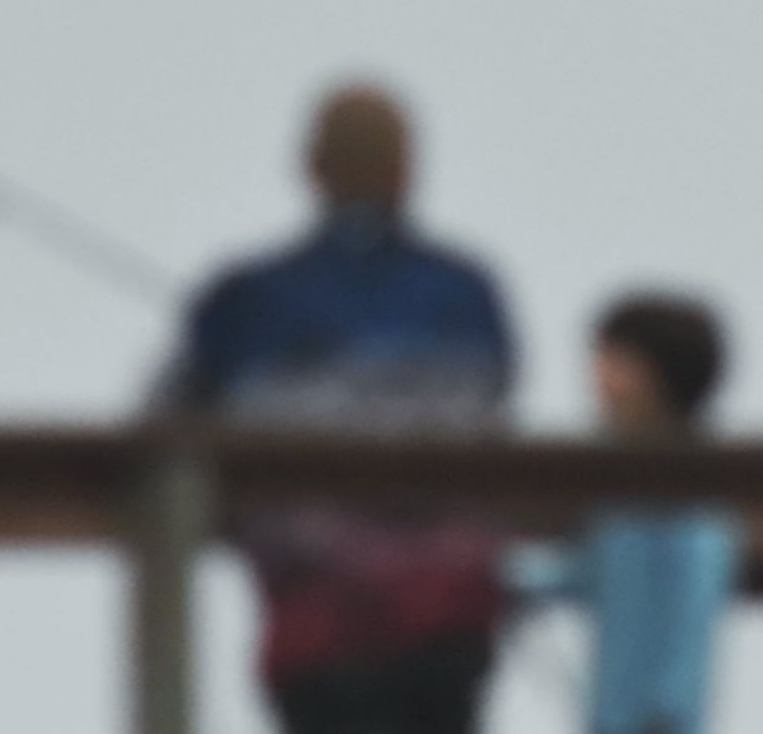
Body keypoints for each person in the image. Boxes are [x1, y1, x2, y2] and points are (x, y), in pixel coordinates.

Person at [153, 81, 516, 734]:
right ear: (409, 169)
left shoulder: (245, 300)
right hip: (446, 624)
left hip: (316, 624)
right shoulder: (468, 295)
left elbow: (162, 424)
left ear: (310, 169)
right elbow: (496, 416)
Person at [507, 294, 741, 734]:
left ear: (656, 377)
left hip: (653, 720)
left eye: (615, 363)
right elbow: (585, 572)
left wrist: (663, 707)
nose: (597, 380)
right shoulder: (627, 493)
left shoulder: (683, 496)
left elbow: (685, 596)